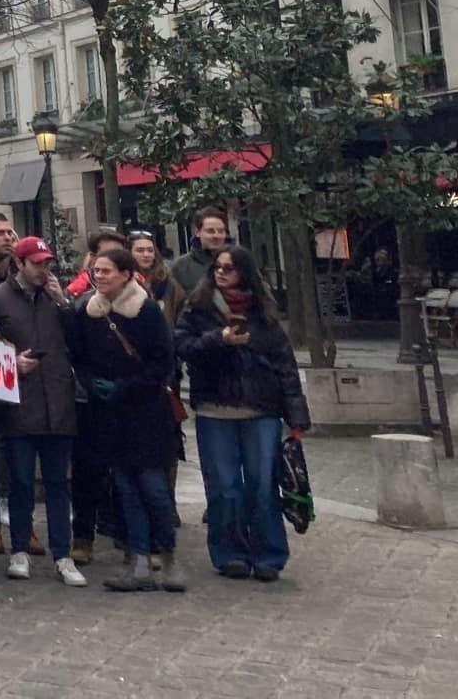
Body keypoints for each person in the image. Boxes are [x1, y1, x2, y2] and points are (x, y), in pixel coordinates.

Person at [174, 243, 308, 582]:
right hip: (215, 407)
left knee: (263, 485)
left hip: (261, 408)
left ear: (244, 272)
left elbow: (285, 364)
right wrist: (219, 339)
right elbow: (183, 347)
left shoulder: (263, 311)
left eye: (229, 268)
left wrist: (296, 417)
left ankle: (269, 555)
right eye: (217, 267)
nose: (221, 273)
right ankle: (229, 553)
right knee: (224, 487)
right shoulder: (198, 306)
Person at [67, 245, 184, 593]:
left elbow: (163, 363)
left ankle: (168, 558)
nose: (99, 276)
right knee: (125, 491)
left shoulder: (146, 311)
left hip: (146, 413)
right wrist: (92, 384)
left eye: (106, 271)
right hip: (109, 416)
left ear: (126, 274)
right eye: (96, 270)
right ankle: (136, 561)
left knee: (153, 488)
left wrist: (126, 387)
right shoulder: (88, 312)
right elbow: (79, 357)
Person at [0, 236, 87, 586]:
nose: (44, 270)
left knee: (58, 484)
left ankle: (63, 555)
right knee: (21, 483)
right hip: (20, 406)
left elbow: (78, 342)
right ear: (20, 264)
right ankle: (20, 550)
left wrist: (63, 303)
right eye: (37, 263)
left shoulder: (55, 299)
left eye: (47, 263)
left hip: (57, 403)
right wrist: (12, 362)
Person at [170, 207, 231, 295]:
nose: (216, 235)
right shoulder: (180, 267)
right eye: (210, 231)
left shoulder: (238, 263)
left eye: (221, 231)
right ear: (197, 232)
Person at [130, 230, 183, 317]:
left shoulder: (167, 281)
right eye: (140, 251)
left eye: (150, 250)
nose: (146, 255)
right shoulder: (123, 282)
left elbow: (182, 310)